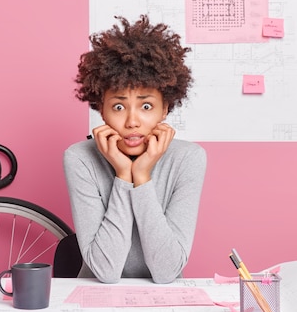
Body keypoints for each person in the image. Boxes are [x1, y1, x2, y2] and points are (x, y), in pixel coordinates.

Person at [63, 15, 207, 284]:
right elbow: (106, 271)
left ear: (165, 108)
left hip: (164, 302)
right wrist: (122, 175)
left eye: (146, 106)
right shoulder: (80, 158)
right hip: (97, 296)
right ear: (101, 110)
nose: (131, 121)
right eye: (118, 107)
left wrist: (141, 176)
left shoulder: (188, 158)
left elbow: (166, 271)